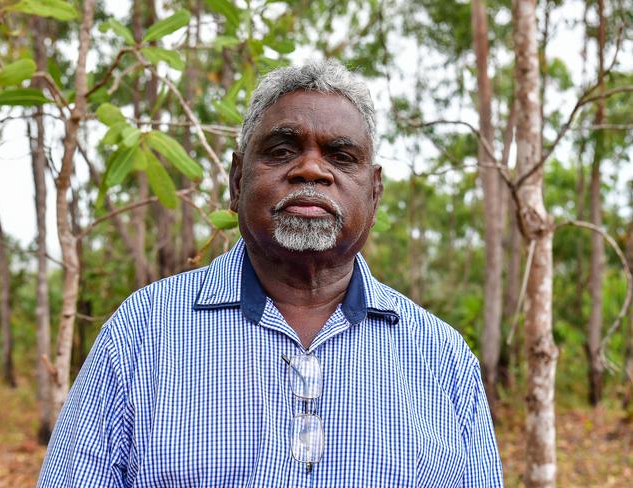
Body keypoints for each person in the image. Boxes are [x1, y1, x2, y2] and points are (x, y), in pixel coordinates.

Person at [39, 59, 503, 487]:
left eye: (341, 158)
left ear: (375, 192)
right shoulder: (142, 332)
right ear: (238, 181)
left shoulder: (441, 356)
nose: (310, 170)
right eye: (282, 151)